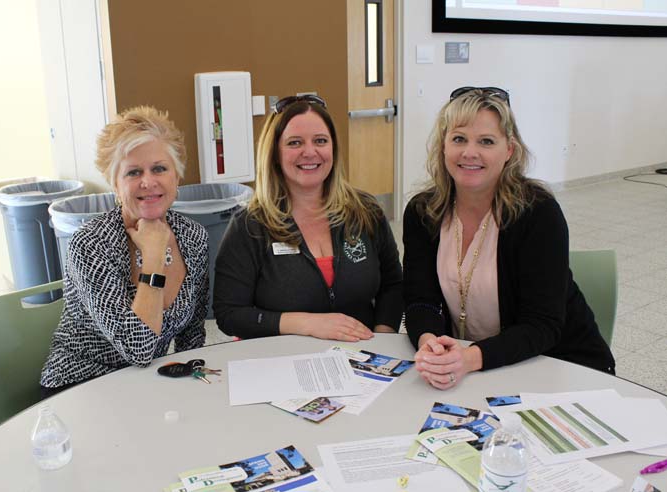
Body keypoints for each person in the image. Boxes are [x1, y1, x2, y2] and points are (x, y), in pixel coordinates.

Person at [403, 86, 615, 390]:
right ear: (443, 147)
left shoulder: (537, 212)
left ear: (509, 151)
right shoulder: (424, 212)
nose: (469, 152)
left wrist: (469, 358)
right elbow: (420, 300)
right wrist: (430, 344)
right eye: (459, 139)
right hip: (474, 369)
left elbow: (542, 325)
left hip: (557, 364)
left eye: (486, 141)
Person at [40, 106, 209, 397]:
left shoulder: (193, 236)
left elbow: (192, 334)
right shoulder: (91, 244)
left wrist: (195, 388)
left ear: (177, 178)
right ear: (115, 184)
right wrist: (154, 256)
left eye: (159, 168)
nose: (148, 181)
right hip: (81, 386)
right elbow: (139, 349)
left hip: (145, 384)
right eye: (133, 172)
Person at [213, 95, 402, 341]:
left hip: (361, 361)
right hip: (280, 363)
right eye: (295, 143)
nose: (310, 152)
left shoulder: (365, 211)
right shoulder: (249, 226)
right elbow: (229, 314)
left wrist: (383, 339)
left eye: (320, 141)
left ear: (333, 147)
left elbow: (394, 285)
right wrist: (308, 323)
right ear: (275, 154)